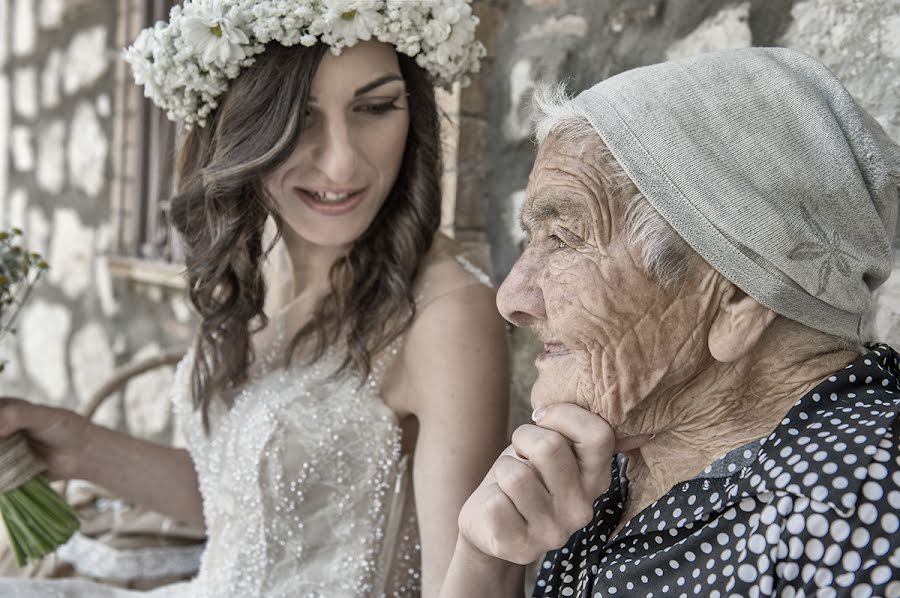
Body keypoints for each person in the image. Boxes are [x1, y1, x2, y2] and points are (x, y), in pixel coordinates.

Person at [0, 2, 509, 597]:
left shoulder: (448, 315)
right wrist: (76, 446)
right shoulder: (253, 267)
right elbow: (249, 498)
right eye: (300, 115)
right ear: (240, 127)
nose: (342, 161)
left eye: (374, 108)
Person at [439, 47, 900, 597]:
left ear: (736, 296)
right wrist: (485, 566)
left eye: (561, 240)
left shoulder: (853, 503)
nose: (511, 296)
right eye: (530, 240)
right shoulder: (610, 468)